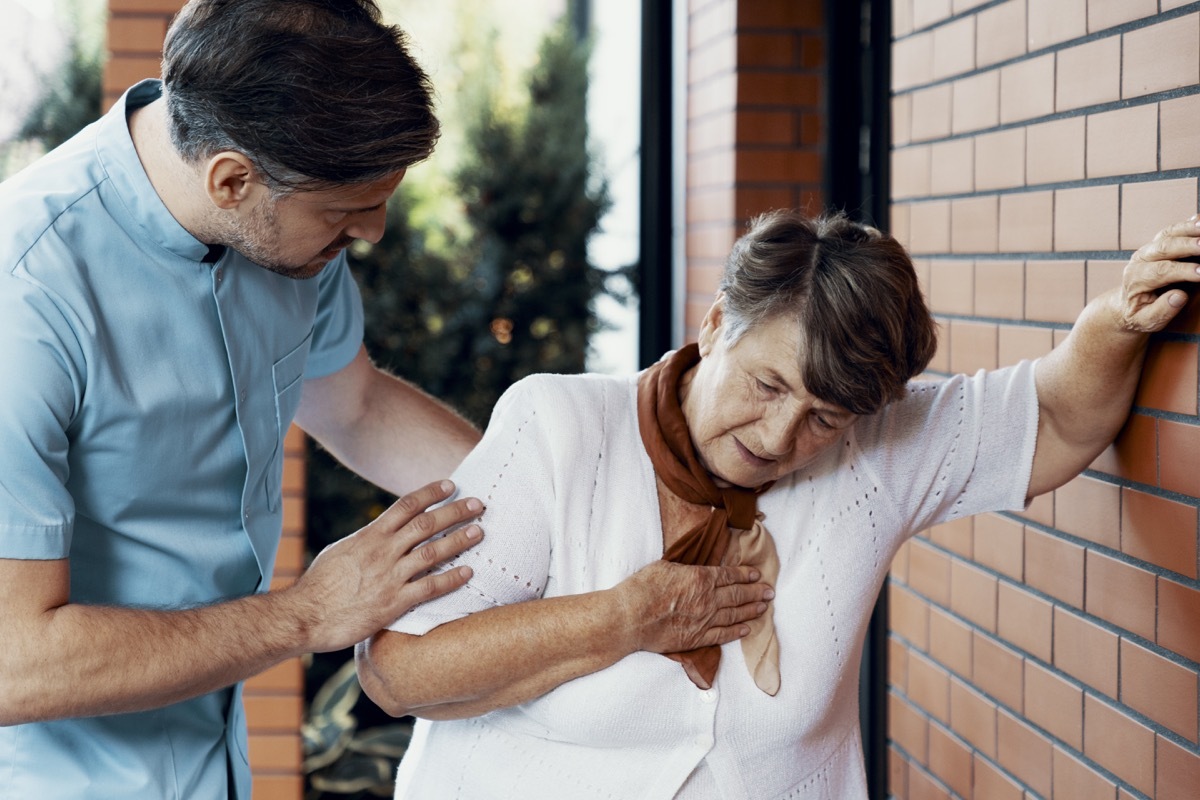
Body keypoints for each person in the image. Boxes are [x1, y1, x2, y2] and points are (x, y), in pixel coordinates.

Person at [0, 2, 766, 795]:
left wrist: (581, 525)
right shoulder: (24, 300)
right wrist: (310, 613)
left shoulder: (279, 222)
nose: (372, 233)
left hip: (210, 760)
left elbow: (358, 407)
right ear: (231, 179)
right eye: (343, 214)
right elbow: (12, 664)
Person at [357, 208, 1200, 799]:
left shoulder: (870, 454)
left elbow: (1052, 415)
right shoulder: (558, 430)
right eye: (767, 384)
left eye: (824, 417)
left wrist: (1117, 323)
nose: (779, 433)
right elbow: (398, 670)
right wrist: (623, 619)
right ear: (717, 323)